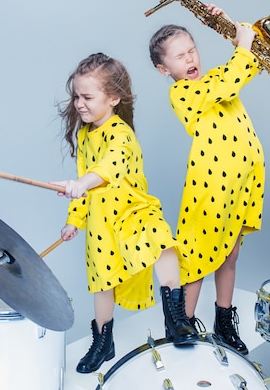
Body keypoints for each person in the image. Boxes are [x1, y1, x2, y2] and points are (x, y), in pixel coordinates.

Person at [51, 53, 198, 374]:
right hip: (103, 223)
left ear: (113, 98)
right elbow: (85, 182)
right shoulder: (85, 135)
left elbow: (108, 167)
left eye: (87, 97)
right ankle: (104, 341)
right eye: (76, 96)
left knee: (162, 244)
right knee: (103, 282)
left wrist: (82, 183)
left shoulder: (122, 134)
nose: (79, 103)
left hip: (134, 213)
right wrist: (74, 220)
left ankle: (177, 318)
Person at [148, 4, 265, 355]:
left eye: (192, 50)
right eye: (179, 57)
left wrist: (228, 25)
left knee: (230, 255)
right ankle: (181, 324)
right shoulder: (183, 93)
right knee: (197, 258)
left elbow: (251, 58)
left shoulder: (214, 78)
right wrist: (240, 47)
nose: (189, 59)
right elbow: (235, 75)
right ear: (163, 69)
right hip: (212, 188)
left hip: (244, 183)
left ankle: (224, 320)